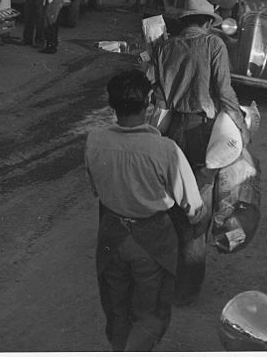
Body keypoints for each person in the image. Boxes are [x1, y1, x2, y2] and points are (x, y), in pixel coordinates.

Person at [85, 69, 204, 351]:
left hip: (111, 238)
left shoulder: (95, 140)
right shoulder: (165, 149)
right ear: (149, 102)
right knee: (149, 313)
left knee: (117, 308)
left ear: (111, 103)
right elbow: (194, 208)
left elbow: (95, 189)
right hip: (152, 242)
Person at [152, 0, 244, 305]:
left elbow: (161, 101)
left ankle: (166, 277)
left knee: (173, 204)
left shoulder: (166, 47)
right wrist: (241, 126)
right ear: (206, 22)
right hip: (204, 134)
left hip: (174, 130)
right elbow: (225, 90)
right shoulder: (214, 45)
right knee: (198, 211)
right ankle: (187, 290)